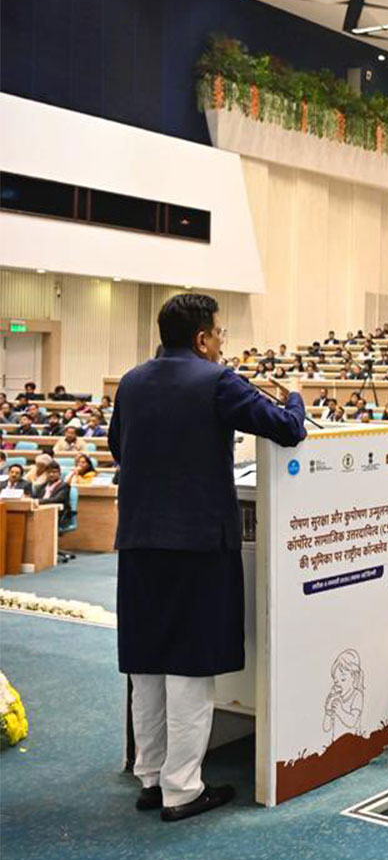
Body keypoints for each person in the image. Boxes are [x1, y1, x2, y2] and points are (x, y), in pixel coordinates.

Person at [111, 293, 306, 821]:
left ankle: (150, 777)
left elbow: (117, 448)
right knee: (190, 669)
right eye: (219, 335)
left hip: (138, 541)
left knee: (147, 666)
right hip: (196, 545)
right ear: (202, 339)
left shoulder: (130, 382)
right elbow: (287, 430)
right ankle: (182, 789)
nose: (222, 344)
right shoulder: (218, 382)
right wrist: (297, 400)